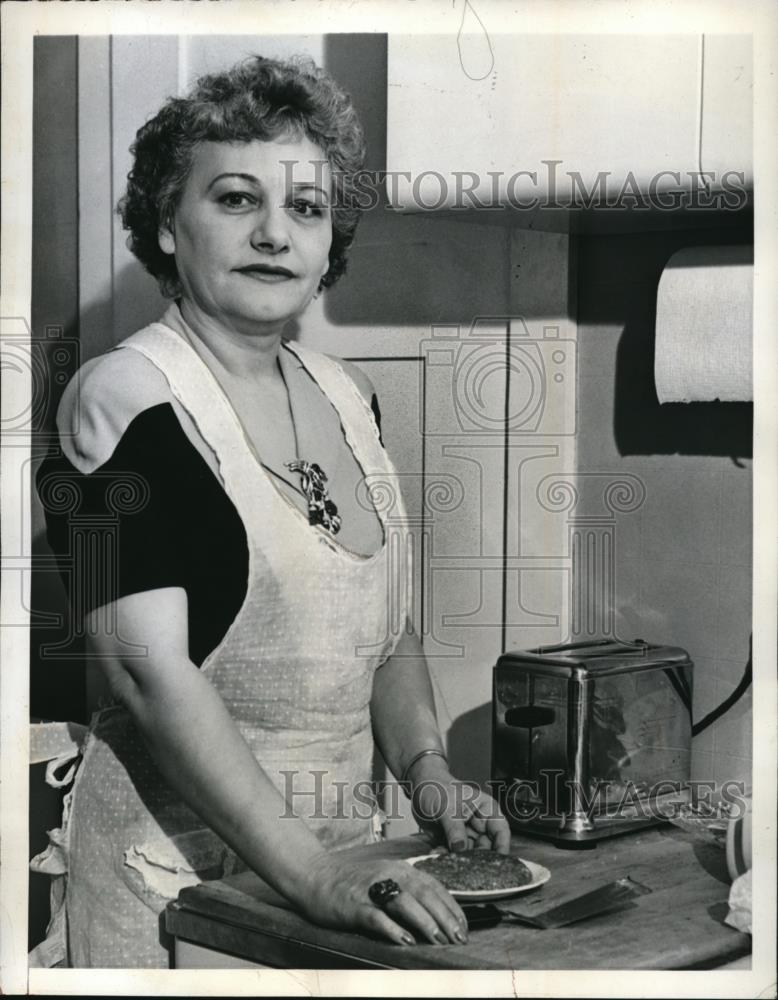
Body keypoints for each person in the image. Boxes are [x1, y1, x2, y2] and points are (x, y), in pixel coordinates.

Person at [33, 54, 511, 969]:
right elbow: (146, 677)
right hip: (174, 883)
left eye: (304, 208)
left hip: (348, 868)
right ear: (169, 225)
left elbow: (381, 625)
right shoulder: (118, 401)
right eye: (236, 200)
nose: (273, 235)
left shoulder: (348, 396)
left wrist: (428, 776)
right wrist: (316, 878)